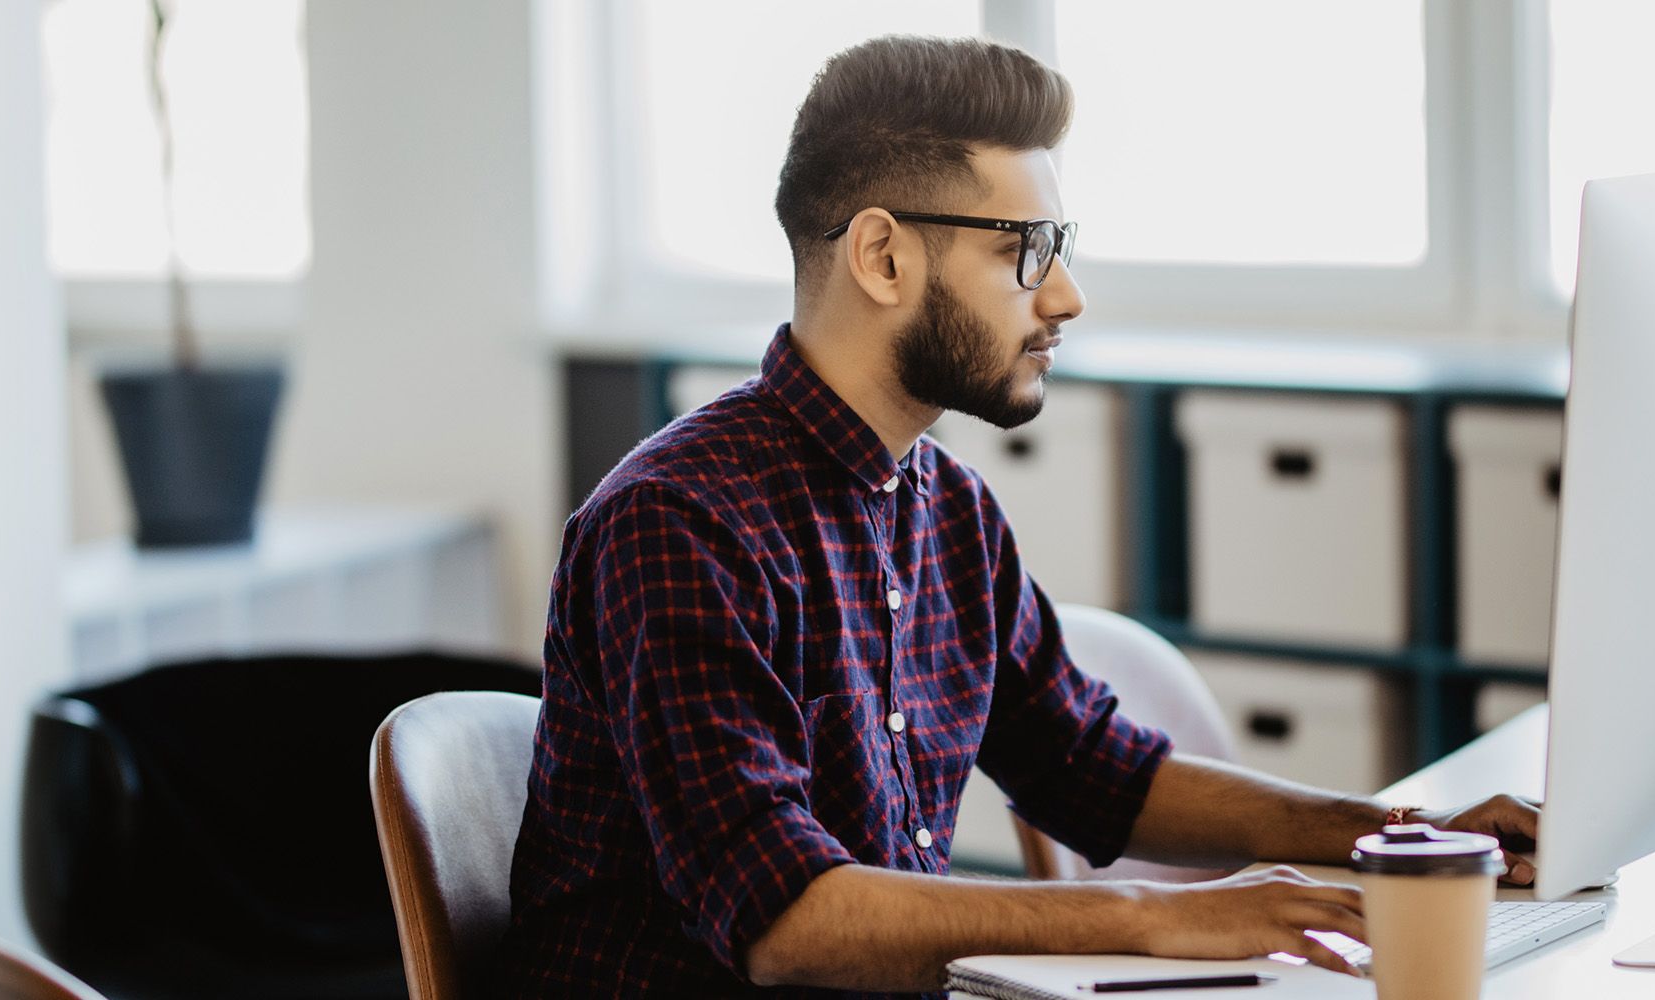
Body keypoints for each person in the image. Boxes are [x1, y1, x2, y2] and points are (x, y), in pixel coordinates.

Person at [502, 34, 1540, 998]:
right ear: (884, 257)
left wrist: (1400, 831)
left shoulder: (947, 506)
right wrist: (1155, 917)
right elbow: (782, 917)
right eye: (1025, 252)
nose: (1066, 297)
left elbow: (1094, 772)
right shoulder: (680, 522)